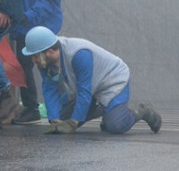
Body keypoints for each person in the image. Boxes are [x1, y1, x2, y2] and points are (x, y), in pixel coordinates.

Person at [19, 26, 160, 134]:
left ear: (48, 52)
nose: (33, 60)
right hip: (91, 87)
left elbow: (84, 91)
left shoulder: (79, 54)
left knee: (116, 126)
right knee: (62, 120)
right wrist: (54, 119)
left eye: (35, 56)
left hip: (111, 80)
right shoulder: (45, 62)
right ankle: (103, 109)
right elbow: (49, 89)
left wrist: (74, 122)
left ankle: (140, 111)